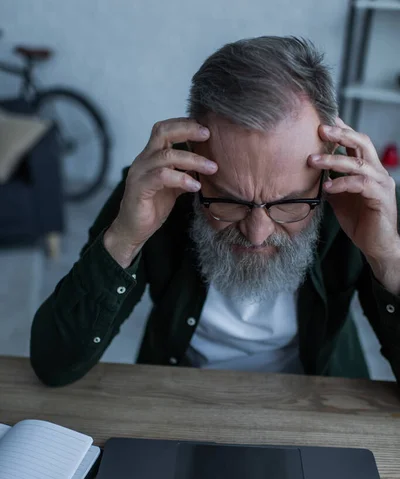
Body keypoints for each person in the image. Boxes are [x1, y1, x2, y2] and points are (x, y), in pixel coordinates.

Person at [30, 36, 400, 387]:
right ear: (194, 158)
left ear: (326, 167)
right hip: (181, 398)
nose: (256, 234)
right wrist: (124, 238)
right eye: (229, 201)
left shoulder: (349, 197)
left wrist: (388, 259)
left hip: (316, 405)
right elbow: (54, 365)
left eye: (290, 203)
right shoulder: (157, 189)